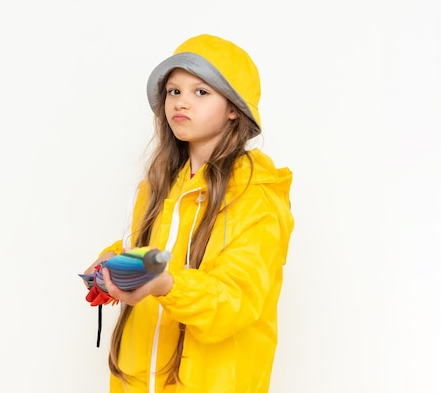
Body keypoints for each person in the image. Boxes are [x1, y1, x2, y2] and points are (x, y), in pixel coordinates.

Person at [84, 33, 294, 392]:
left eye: (201, 92)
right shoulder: (159, 187)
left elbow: (236, 298)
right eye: (174, 91)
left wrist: (164, 285)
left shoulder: (255, 195)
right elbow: (162, 247)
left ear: (234, 108)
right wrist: (115, 263)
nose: (181, 103)